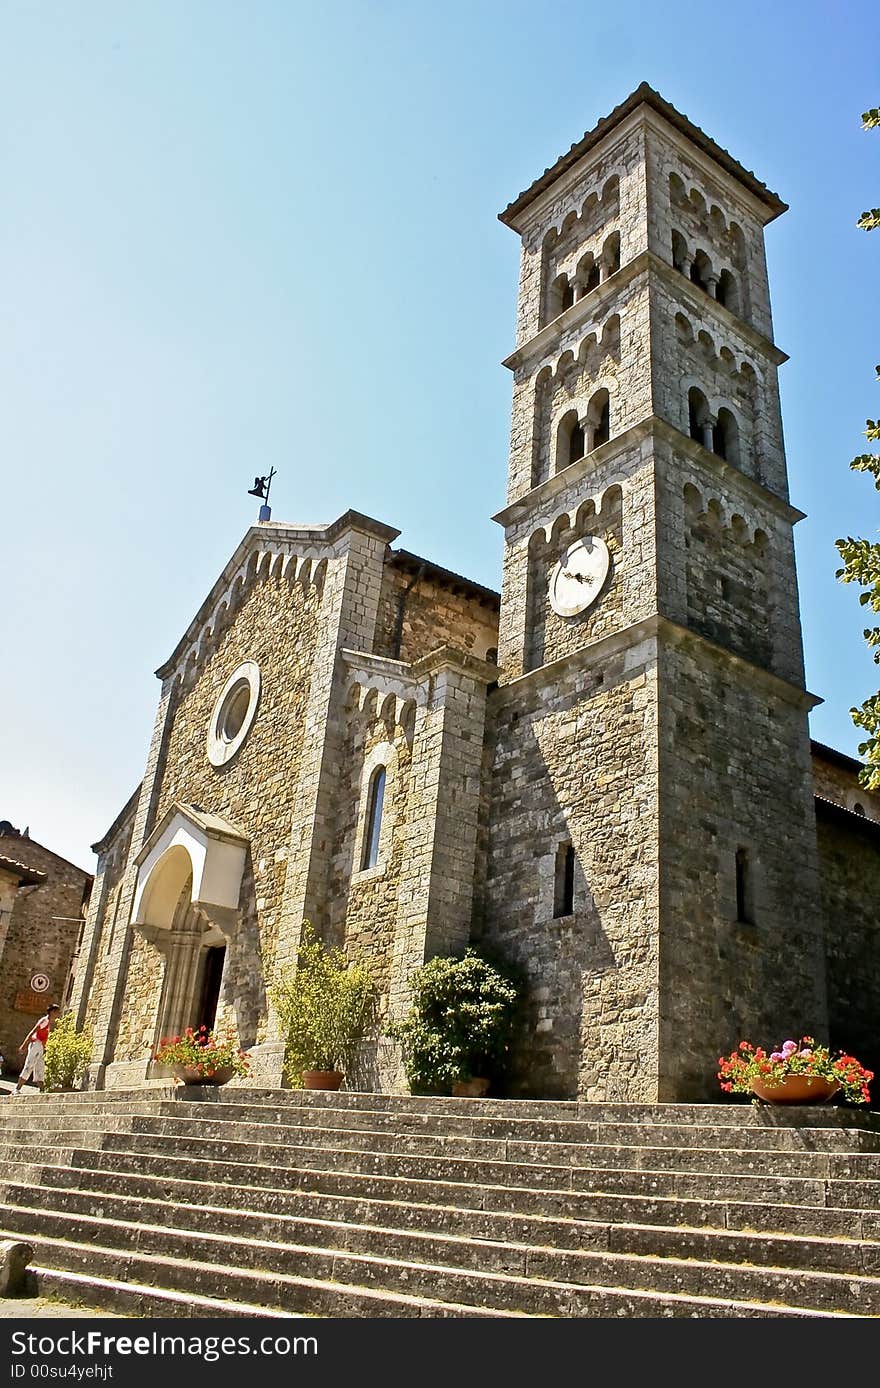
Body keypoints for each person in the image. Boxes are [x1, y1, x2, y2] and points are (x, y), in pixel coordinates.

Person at [13, 1004, 60, 1094]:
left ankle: (42, 1091)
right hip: (35, 1045)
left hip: (40, 1047)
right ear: (52, 1012)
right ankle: (17, 1089)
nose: (58, 1014)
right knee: (29, 1065)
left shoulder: (48, 1022)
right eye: (57, 1012)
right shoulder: (44, 1021)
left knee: (40, 1068)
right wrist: (24, 1045)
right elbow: (33, 1031)